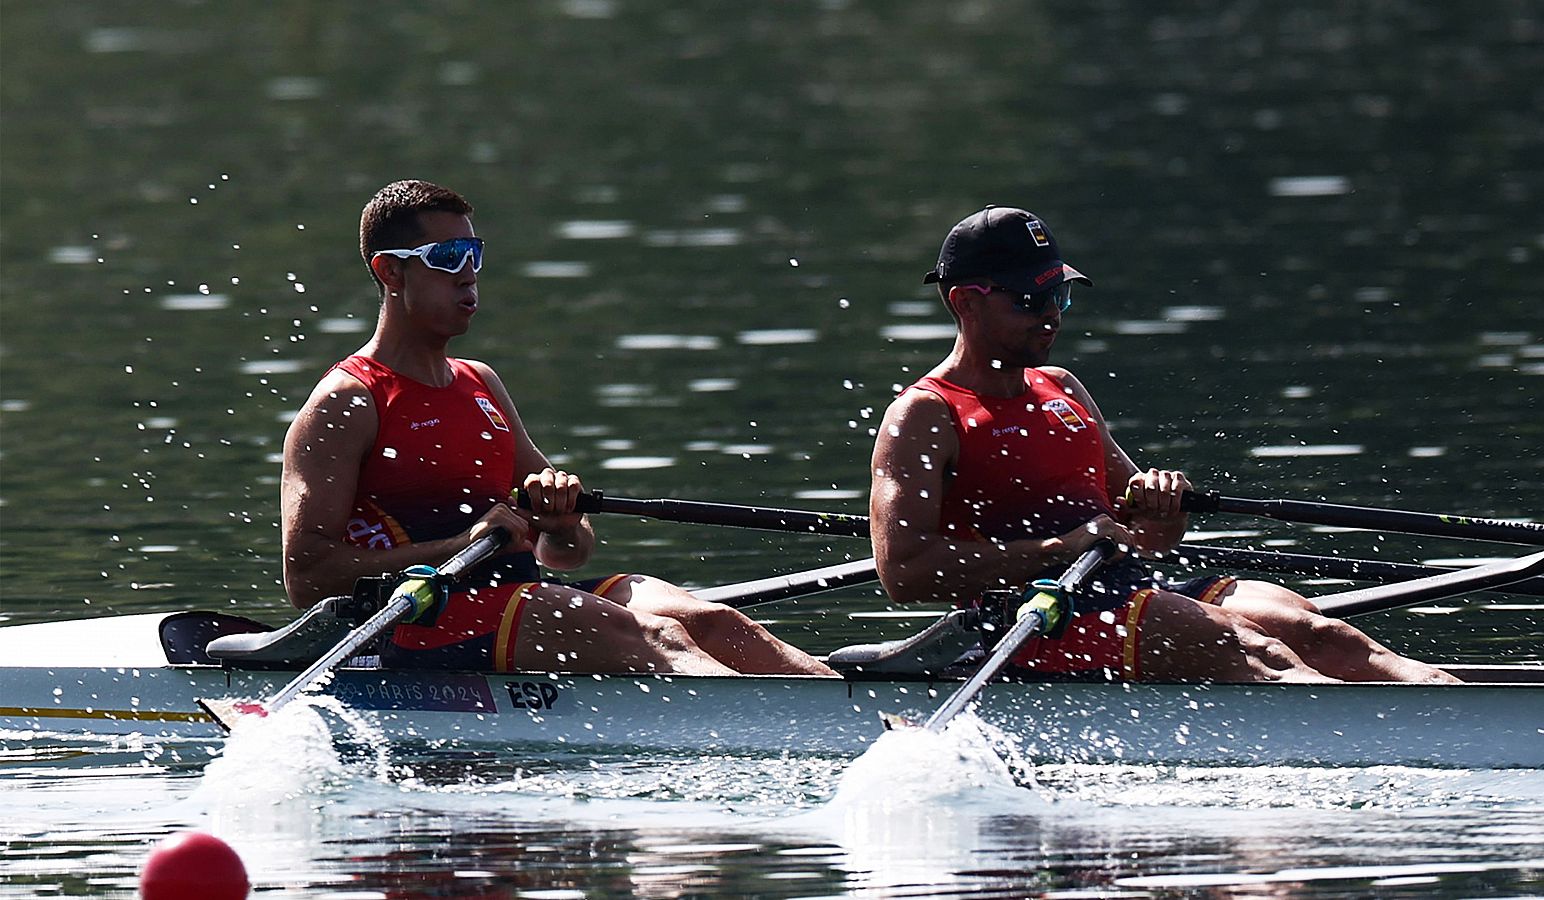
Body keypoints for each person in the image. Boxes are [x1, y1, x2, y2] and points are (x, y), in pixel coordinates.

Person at [868, 205, 1458, 684]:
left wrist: (1160, 504)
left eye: (1059, 297)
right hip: (1029, 620)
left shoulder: (1062, 387)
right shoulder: (925, 414)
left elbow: (1144, 531)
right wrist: (1060, 547)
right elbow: (904, 573)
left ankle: (1479, 711)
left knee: (1317, 631)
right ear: (964, 302)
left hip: (1129, 588)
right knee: (1259, 652)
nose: (1050, 316)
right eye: (1028, 301)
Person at [280, 179, 835, 677]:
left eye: (474, 254)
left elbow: (570, 552)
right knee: (656, 635)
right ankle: (777, 731)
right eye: (447, 256)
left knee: (710, 621)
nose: (468, 274)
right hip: (419, 625)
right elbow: (306, 576)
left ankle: (862, 718)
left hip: (521, 600)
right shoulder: (348, 402)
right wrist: (456, 545)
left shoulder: (481, 384)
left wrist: (562, 520)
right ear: (390, 271)